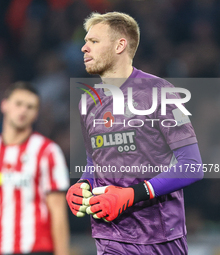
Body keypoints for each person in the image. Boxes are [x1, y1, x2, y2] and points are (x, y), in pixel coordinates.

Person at [66, 11, 203, 255]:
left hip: (158, 237)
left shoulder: (159, 92)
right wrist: (83, 183)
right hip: (109, 237)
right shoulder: (87, 102)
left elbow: (192, 165)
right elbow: (94, 161)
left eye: (94, 42)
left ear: (120, 45)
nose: (84, 48)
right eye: (86, 42)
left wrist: (131, 195)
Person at [0, 81, 70, 255]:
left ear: (36, 114)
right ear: (4, 104)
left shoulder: (48, 152)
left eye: (30, 107)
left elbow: (58, 210)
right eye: (18, 104)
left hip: (38, 249)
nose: (23, 110)